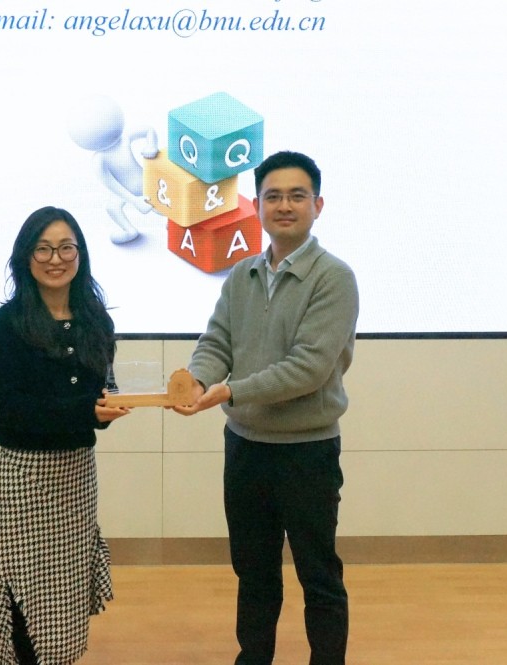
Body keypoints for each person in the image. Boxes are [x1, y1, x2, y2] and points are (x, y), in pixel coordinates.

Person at [173, 151, 359, 665]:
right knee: (253, 572)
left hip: (307, 452)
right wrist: (198, 379)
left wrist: (230, 391)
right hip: (246, 450)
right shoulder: (242, 274)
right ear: (256, 206)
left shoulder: (334, 278)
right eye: (273, 196)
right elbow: (217, 341)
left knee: (318, 574)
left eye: (297, 196)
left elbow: (308, 369)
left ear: (318, 205)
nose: (284, 206)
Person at [0, 206, 131, 665]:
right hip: (26, 478)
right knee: (23, 593)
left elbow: (102, 393)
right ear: (26, 257)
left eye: (65, 248)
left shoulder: (96, 320)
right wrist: (86, 412)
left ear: (80, 254)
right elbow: (5, 417)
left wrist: (107, 411)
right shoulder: (7, 325)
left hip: (77, 476)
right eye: (43, 249)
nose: (55, 259)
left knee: (66, 594)